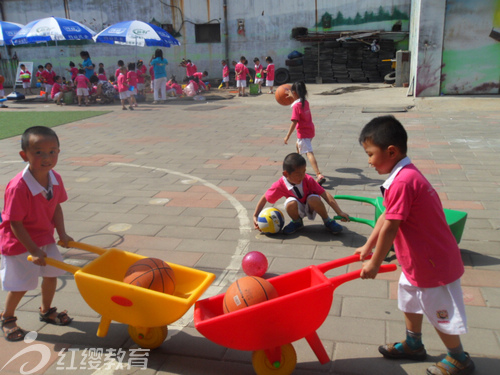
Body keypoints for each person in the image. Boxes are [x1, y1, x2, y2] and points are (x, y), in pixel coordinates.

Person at [355, 115, 474, 375]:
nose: (369, 161)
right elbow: (386, 214)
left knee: (439, 310)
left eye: (370, 154)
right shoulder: (402, 175)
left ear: (391, 151)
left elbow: (391, 226)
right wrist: (368, 246)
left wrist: (374, 262)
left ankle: (458, 357)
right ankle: (413, 344)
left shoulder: (403, 182)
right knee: (409, 301)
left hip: (433, 264)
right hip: (416, 261)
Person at [0, 126, 74, 342]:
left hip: (44, 237)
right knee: (21, 284)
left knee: (52, 274)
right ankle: (8, 317)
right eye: (38, 152)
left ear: (59, 152)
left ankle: (46, 310)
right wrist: (33, 249)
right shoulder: (18, 187)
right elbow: (15, 222)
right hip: (19, 242)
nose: (47, 157)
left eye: (52, 151)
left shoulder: (55, 177)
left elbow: (57, 207)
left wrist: (62, 233)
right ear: (25, 155)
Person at [253, 153, 349, 235]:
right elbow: (265, 197)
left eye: (304, 172)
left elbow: (325, 194)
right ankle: (297, 222)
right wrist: (255, 215)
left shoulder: (308, 179)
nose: (302, 176)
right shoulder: (280, 185)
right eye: (298, 174)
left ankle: (327, 221)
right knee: (290, 202)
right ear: (286, 174)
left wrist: (339, 212)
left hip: (312, 206)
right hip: (296, 207)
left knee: (313, 198)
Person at [283, 81, 326, 185]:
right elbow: (298, 101)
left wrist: (287, 136)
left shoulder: (296, 106)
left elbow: (294, 122)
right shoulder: (305, 102)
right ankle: (298, 162)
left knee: (309, 153)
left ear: (295, 93)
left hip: (303, 133)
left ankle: (318, 174)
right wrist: (293, 95)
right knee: (298, 145)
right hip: (310, 130)